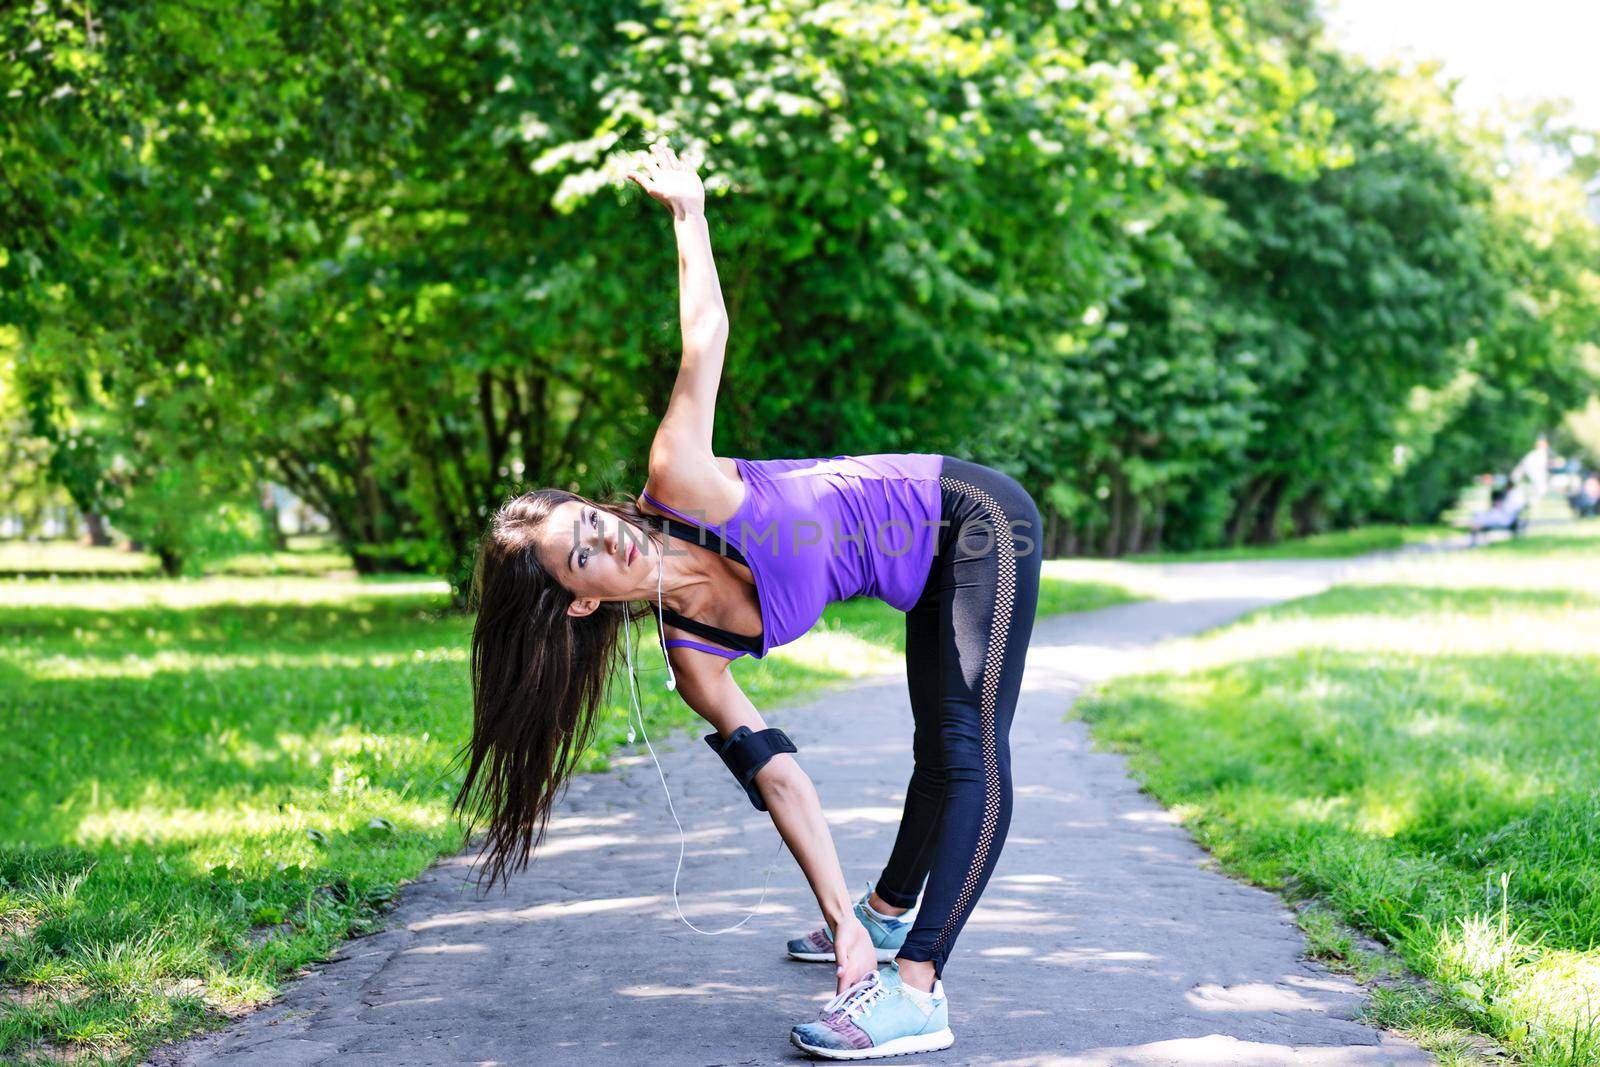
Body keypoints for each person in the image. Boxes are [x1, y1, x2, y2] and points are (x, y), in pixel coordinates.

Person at [451, 139, 1043, 1061]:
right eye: (579, 554)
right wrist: (838, 915)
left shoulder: (676, 482)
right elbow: (781, 779)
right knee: (940, 743)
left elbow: (704, 342)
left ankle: (918, 989)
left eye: (585, 518)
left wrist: (690, 215)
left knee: (968, 746)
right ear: (578, 604)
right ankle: (880, 923)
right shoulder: (693, 656)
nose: (602, 533)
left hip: (972, 517)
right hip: (923, 568)